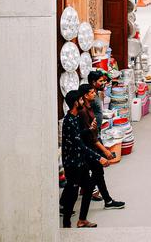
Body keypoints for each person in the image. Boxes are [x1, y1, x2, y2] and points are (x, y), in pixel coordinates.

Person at [60, 90, 108, 228]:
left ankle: (82, 220)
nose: (83, 102)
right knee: (72, 195)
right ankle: (67, 224)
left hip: (81, 162)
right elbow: (79, 144)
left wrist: (88, 130)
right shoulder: (68, 121)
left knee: (87, 189)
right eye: (81, 100)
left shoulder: (74, 118)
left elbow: (78, 135)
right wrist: (99, 158)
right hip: (72, 164)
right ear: (75, 103)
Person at [78, 83, 125, 209]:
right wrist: (105, 151)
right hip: (90, 148)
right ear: (85, 95)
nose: (94, 94)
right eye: (92, 92)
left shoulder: (89, 108)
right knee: (95, 175)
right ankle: (77, 207)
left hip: (93, 146)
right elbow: (91, 137)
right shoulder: (83, 112)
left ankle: (107, 200)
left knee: (98, 174)